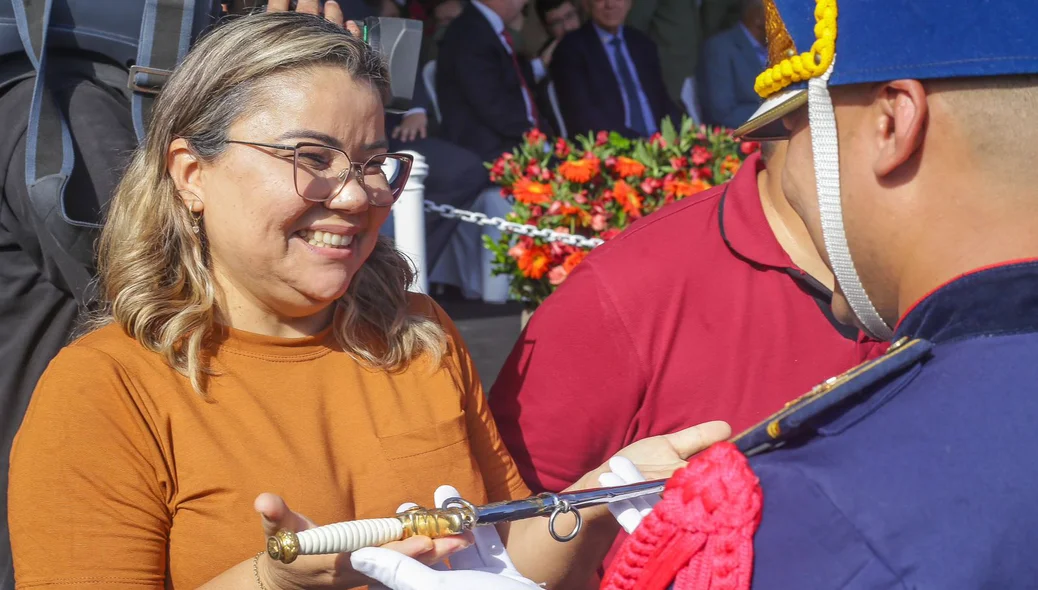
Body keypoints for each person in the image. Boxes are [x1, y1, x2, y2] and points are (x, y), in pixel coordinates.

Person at [7, 13, 730, 589]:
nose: (357, 195)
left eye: (374, 164)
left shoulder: (420, 335)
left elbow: (505, 558)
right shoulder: (104, 390)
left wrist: (605, 491)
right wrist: (269, 581)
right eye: (311, 158)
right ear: (192, 174)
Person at [351, 0, 1038, 587]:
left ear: (890, 125)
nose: (777, 155)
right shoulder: (629, 289)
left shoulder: (795, 518)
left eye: (799, 124)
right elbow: (520, 502)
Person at [435, 0, 556, 161]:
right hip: (494, 153)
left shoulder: (482, 27)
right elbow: (494, 106)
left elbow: (509, 79)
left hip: (517, 141)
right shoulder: (470, 34)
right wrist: (536, 139)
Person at [548, 0, 683, 138]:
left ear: (629, 3)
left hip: (659, 144)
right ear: (586, 4)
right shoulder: (571, 49)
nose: (610, 4)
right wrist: (639, 143)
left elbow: (663, 101)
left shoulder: (642, 43)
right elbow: (583, 116)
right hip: (614, 147)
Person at [696, 0, 767, 129]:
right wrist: (777, 115)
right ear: (757, 17)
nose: (782, 21)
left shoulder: (777, 47)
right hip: (744, 139)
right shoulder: (720, 48)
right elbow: (723, 112)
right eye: (775, 13)